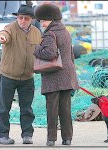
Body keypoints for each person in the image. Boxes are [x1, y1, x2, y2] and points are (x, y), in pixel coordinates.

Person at [33, 3, 79, 146]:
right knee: (65, 109)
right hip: (67, 76)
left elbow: (49, 53)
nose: (41, 23)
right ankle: (67, 138)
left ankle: (51, 139)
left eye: (43, 20)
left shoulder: (49, 34)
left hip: (53, 77)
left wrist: (36, 49)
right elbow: (70, 55)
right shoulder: (65, 32)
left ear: (50, 19)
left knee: (52, 110)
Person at [0, 3, 41, 145]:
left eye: (26, 18)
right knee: (4, 107)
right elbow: (3, 34)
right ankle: (2, 135)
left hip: (28, 77)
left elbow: (41, 50)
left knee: (27, 108)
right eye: (20, 17)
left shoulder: (36, 32)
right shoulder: (10, 28)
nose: (22, 21)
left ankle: (27, 134)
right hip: (8, 75)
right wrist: (1, 38)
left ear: (32, 19)